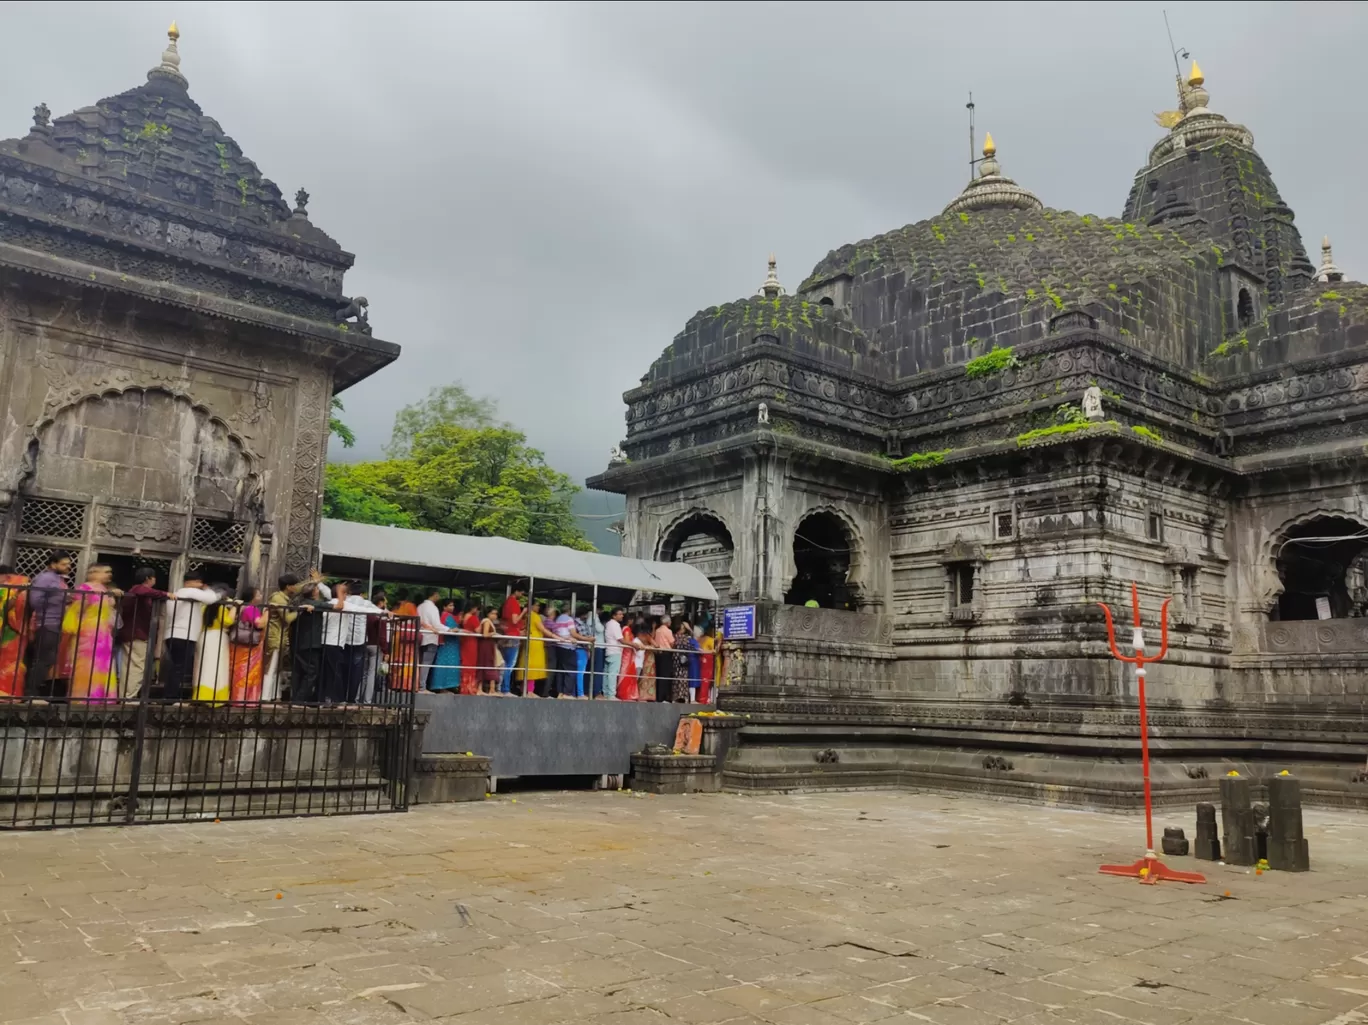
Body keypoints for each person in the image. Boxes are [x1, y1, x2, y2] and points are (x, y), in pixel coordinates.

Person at [64, 563, 122, 704]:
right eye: (106, 572)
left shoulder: (105, 589)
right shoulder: (85, 588)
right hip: (87, 632)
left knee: (104, 664)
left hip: (104, 632)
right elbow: (78, 611)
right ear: (94, 573)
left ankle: (103, 696)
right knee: (87, 664)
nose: (109, 575)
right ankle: (85, 697)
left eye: (110, 572)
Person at [163, 571, 222, 701]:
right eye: (199, 582)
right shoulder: (189, 592)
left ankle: (171, 694)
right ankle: (170, 697)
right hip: (184, 635)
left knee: (176, 666)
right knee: (179, 668)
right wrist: (207, 589)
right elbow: (212, 598)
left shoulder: (178, 593)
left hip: (173, 634)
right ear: (190, 582)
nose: (201, 585)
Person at [115, 567, 168, 698]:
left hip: (132, 633)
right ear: (148, 579)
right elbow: (143, 590)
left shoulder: (137, 593)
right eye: (153, 577)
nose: (155, 580)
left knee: (129, 666)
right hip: (136, 633)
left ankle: (125, 695)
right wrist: (166, 594)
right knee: (136, 666)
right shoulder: (138, 590)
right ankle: (129, 696)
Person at [25, 551, 71, 699]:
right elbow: (35, 600)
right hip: (46, 622)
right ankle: (31, 693)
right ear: (53, 564)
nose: (67, 567)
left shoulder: (57, 579)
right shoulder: (45, 578)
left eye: (68, 564)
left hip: (56, 622)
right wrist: (56, 600)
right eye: (64, 564)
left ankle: (34, 691)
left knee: (48, 659)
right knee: (43, 659)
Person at [192, 585, 237, 705]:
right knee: (217, 667)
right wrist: (234, 608)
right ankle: (214, 697)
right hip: (217, 637)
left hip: (204, 636)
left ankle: (200, 694)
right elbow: (228, 621)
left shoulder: (203, 607)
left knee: (203, 667)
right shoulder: (220, 607)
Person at [291, 582, 331, 702]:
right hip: (311, 643)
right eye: (317, 589)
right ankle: (299, 699)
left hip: (298, 642)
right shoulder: (315, 604)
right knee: (312, 672)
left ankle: (295, 698)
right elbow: (337, 606)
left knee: (299, 671)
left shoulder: (299, 604)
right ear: (314, 592)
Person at [263, 573, 300, 702]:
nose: (296, 588)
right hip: (274, 636)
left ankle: (275, 696)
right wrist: (300, 610)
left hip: (280, 636)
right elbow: (288, 618)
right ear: (288, 586)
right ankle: (265, 696)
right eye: (294, 585)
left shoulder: (283, 598)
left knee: (278, 669)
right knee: (271, 667)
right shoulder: (278, 599)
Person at [228, 587, 267, 704]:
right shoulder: (250, 608)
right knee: (246, 672)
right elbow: (260, 623)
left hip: (239, 646)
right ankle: (243, 699)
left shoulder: (242, 607)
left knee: (239, 672)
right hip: (247, 647)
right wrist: (268, 611)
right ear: (252, 597)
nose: (260, 596)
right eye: (259, 594)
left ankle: (238, 698)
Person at [0, 565, 29, 698]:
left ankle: (9, 693)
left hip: (12, 631)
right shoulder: (8, 590)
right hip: (10, 630)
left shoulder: (13, 590)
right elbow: (5, 609)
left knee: (12, 662)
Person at [417, 588, 449, 690]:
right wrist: (449, 629)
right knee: (427, 663)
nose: (438, 597)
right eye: (438, 594)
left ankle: (418, 685)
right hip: (430, 637)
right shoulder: (433, 608)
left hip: (420, 636)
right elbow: (436, 624)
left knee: (420, 662)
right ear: (434, 594)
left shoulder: (420, 607)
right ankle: (422, 686)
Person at [516, 600, 549, 696]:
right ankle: (530, 691)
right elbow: (542, 629)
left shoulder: (525, 615)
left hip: (529, 641)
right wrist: (556, 637)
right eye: (537, 605)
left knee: (527, 665)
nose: (538, 608)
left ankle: (525, 690)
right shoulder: (534, 616)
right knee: (532, 667)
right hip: (534, 642)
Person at [429, 599, 462, 693]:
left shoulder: (447, 616)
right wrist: (457, 630)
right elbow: (450, 629)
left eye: (453, 605)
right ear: (444, 607)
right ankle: (441, 686)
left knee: (450, 665)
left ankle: (448, 686)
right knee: (444, 664)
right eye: (450, 605)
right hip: (448, 645)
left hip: (451, 645)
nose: (452, 607)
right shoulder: (445, 616)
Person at [498, 585, 526, 694]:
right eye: (521, 593)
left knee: (504, 663)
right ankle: (505, 689)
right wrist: (523, 612)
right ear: (516, 591)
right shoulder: (514, 603)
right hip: (513, 637)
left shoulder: (507, 602)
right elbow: (514, 621)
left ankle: (500, 688)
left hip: (506, 635)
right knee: (509, 664)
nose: (522, 595)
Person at [362, 590, 389, 702]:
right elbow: (382, 635)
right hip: (376, 646)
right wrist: (386, 650)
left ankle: (357, 698)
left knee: (364, 674)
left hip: (365, 644)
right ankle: (367, 701)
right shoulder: (380, 615)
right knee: (372, 674)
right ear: (381, 602)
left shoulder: (368, 613)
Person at [672, 618, 700, 703]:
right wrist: (690, 629)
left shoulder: (675, 636)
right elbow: (692, 645)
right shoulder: (682, 638)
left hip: (677, 659)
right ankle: (682, 697)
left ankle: (677, 697)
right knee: (681, 678)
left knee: (678, 678)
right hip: (681, 659)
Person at [476, 606, 501, 695]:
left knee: (486, 664)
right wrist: (494, 633)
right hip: (486, 645)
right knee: (488, 664)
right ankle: (491, 689)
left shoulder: (487, 621)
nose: (495, 616)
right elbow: (485, 634)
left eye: (496, 614)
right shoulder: (486, 621)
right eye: (493, 613)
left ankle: (482, 689)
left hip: (488, 645)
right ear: (488, 614)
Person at [601, 607, 624, 701]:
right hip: (615, 651)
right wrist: (634, 644)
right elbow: (620, 639)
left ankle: (606, 693)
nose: (622, 616)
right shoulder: (615, 625)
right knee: (613, 673)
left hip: (608, 650)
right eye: (620, 614)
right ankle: (611, 694)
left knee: (606, 673)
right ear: (614, 615)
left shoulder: (608, 623)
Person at [458, 600, 481, 695]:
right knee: (471, 664)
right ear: (473, 608)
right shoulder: (473, 618)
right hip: (471, 642)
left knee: (465, 663)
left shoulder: (463, 617)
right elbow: (478, 631)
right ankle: (470, 687)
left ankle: (463, 686)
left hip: (464, 642)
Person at [652, 616, 676, 702]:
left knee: (659, 675)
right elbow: (672, 643)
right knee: (665, 676)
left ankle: (658, 696)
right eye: (670, 621)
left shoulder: (658, 630)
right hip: (666, 653)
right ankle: (664, 697)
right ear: (667, 622)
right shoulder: (668, 631)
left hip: (658, 654)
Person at [697, 623, 716, 705]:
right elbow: (714, 651)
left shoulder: (699, 639)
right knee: (706, 680)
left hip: (700, 660)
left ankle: (698, 697)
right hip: (708, 661)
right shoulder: (710, 640)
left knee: (700, 679)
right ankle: (704, 699)